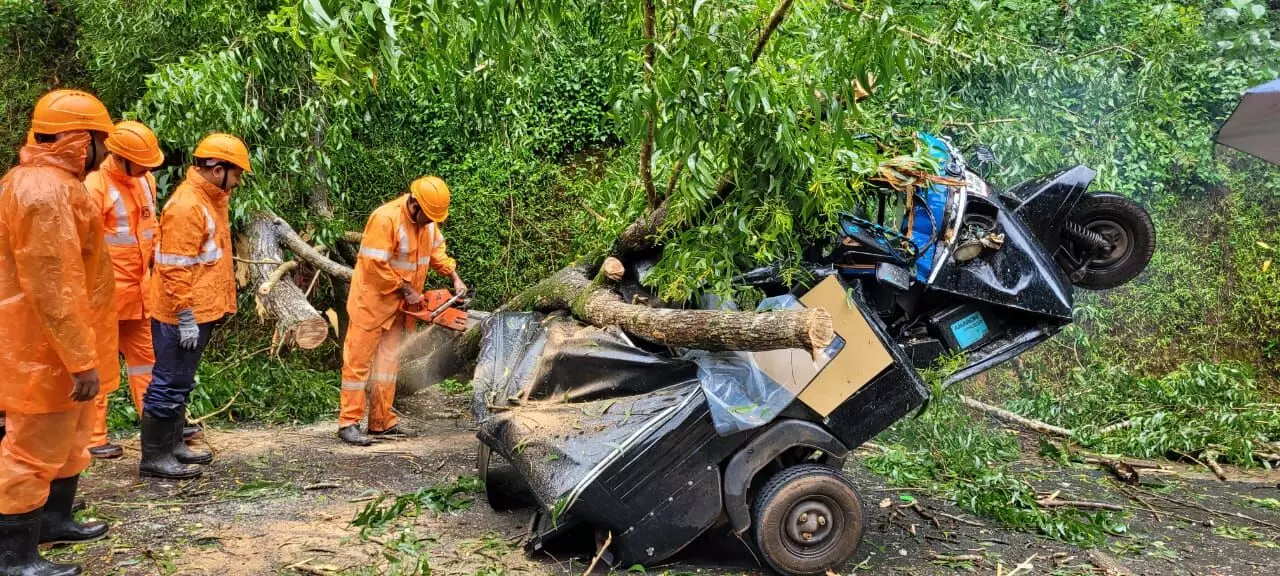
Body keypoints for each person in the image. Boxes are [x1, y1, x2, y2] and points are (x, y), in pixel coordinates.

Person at [0, 89, 119, 575]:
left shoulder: (54, 184)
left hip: (58, 344)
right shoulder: (42, 192)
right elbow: (54, 284)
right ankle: (15, 558)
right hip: (41, 348)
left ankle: (54, 519)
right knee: (30, 450)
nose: (107, 152)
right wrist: (79, 360)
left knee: (68, 441)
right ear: (79, 140)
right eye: (100, 141)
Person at [143, 133, 249, 479]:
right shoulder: (188, 205)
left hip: (200, 309)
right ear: (217, 170)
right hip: (180, 312)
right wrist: (185, 315)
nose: (238, 182)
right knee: (168, 382)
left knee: (182, 381)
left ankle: (172, 445)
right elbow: (174, 266)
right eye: (236, 175)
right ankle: (154, 458)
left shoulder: (212, 200)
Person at [339, 176, 467, 446]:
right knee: (358, 363)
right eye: (428, 217)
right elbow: (374, 265)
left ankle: (381, 421)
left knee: (387, 365)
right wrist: (404, 287)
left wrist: (454, 277)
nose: (431, 222)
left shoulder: (428, 224)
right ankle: (349, 422)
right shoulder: (386, 219)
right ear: (414, 204)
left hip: (400, 308)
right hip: (371, 303)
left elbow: (437, 253)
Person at [83, 121, 165, 460]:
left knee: (147, 362)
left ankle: (157, 424)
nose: (147, 168)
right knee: (100, 364)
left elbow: (150, 229)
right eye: (142, 161)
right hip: (103, 295)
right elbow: (84, 244)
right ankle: (93, 436)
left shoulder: (145, 181)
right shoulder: (95, 185)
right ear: (121, 157)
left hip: (139, 290)